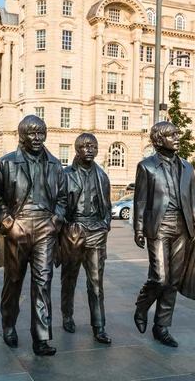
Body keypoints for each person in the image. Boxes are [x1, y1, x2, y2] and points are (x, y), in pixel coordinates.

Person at [0, 115, 67, 356]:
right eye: (32, 134)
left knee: (43, 283)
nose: (37, 138)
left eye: (41, 133)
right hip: (17, 227)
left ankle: (41, 337)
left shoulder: (55, 164)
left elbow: (63, 199)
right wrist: (7, 222)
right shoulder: (6, 163)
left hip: (46, 228)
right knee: (13, 282)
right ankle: (8, 323)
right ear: (21, 136)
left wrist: (56, 220)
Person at [133, 121, 195, 347]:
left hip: (183, 228)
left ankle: (162, 326)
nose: (177, 137)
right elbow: (140, 200)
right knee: (160, 277)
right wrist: (139, 228)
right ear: (159, 140)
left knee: (173, 282)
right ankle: (142, 307)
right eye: (171, 135)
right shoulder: (146, 166)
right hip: (158, 227)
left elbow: (194, 205)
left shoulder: (187, 167)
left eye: (177, 134)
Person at [60, 133, 112, 344]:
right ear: (77, 150)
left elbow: (107, 207)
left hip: (96, 231)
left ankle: (99, 326)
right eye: (85, 146)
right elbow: (60, 203)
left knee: (96, 283)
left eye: (93, 146)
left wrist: (105, 225)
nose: (90, 149)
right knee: (69, 278)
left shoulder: (102, 176)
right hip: (73, 230)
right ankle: (67, 314)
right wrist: (66, 227)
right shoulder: (66, 175)